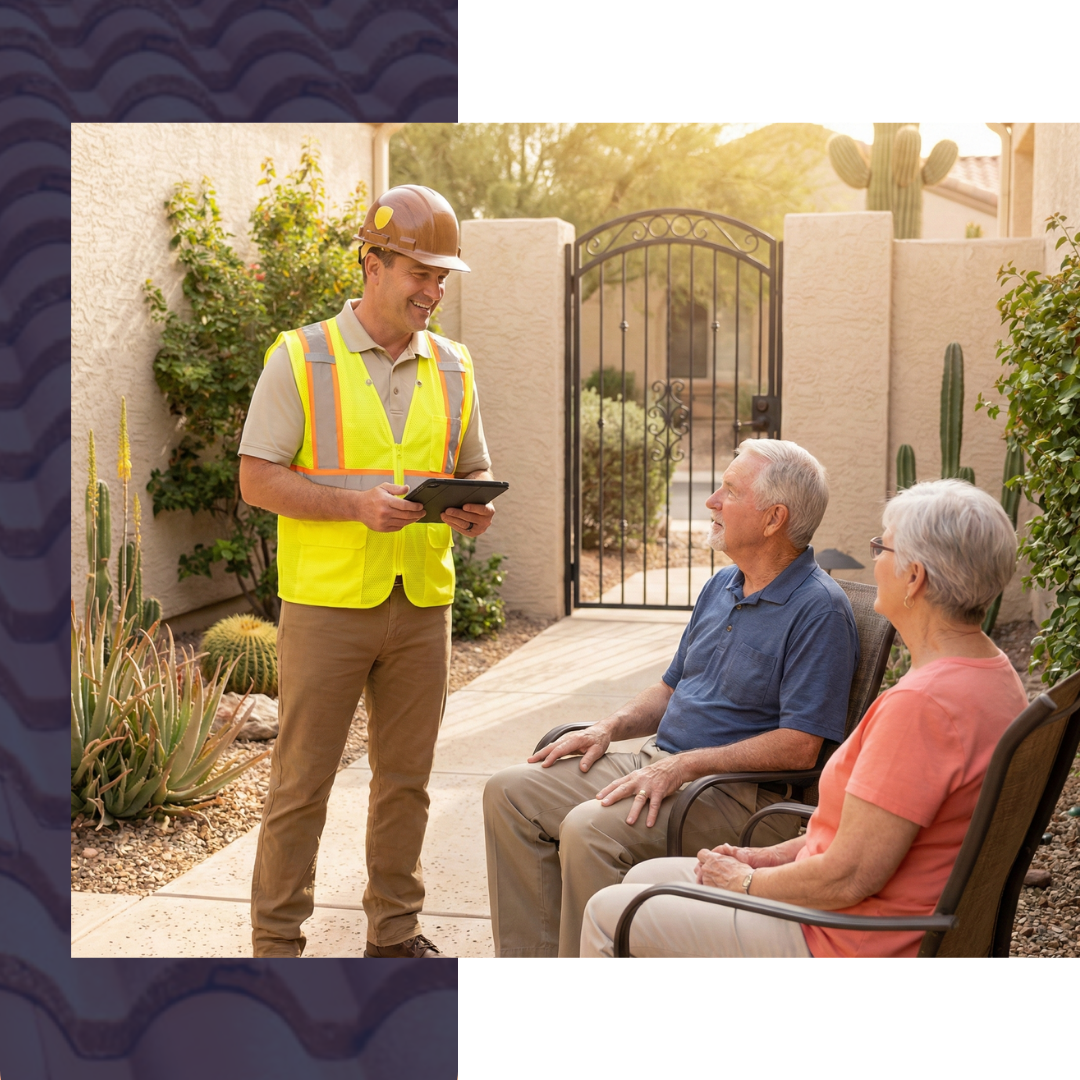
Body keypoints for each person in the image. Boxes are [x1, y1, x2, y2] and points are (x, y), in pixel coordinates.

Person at [580, 478, 1028, 958]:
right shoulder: (995, 678)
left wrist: (749, 882)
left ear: (913, 577)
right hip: (865, 910)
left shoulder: (924, 708)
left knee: (612, 913)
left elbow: (849, 876)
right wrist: (764, 857)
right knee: (646, 878)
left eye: (881, 546)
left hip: (843, 936)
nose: (874, 559)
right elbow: (860, 838)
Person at [240, 185, 495, 958]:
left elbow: (474, 469)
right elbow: (257, 479)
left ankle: (394, 935)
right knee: (300, 786)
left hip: (421, 603)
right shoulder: (300, 355)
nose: (434, 291)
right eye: (421, 272)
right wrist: (355, 507)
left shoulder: (454, 365)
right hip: (327, 605)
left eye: (443, 277)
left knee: (406, 783)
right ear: (373, 263)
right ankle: (277, 945)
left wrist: (473, 510)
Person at [484, 439, 859, 957]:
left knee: (589, 830)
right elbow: (670, 687)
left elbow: (800, 747)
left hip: (733, 793)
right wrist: (607, 728)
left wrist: (681, 767)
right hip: (658, 764)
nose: (710, 500)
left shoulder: (819, 611)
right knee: (510, 793)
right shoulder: (723, 584)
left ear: (774, 518)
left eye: (728, 490)